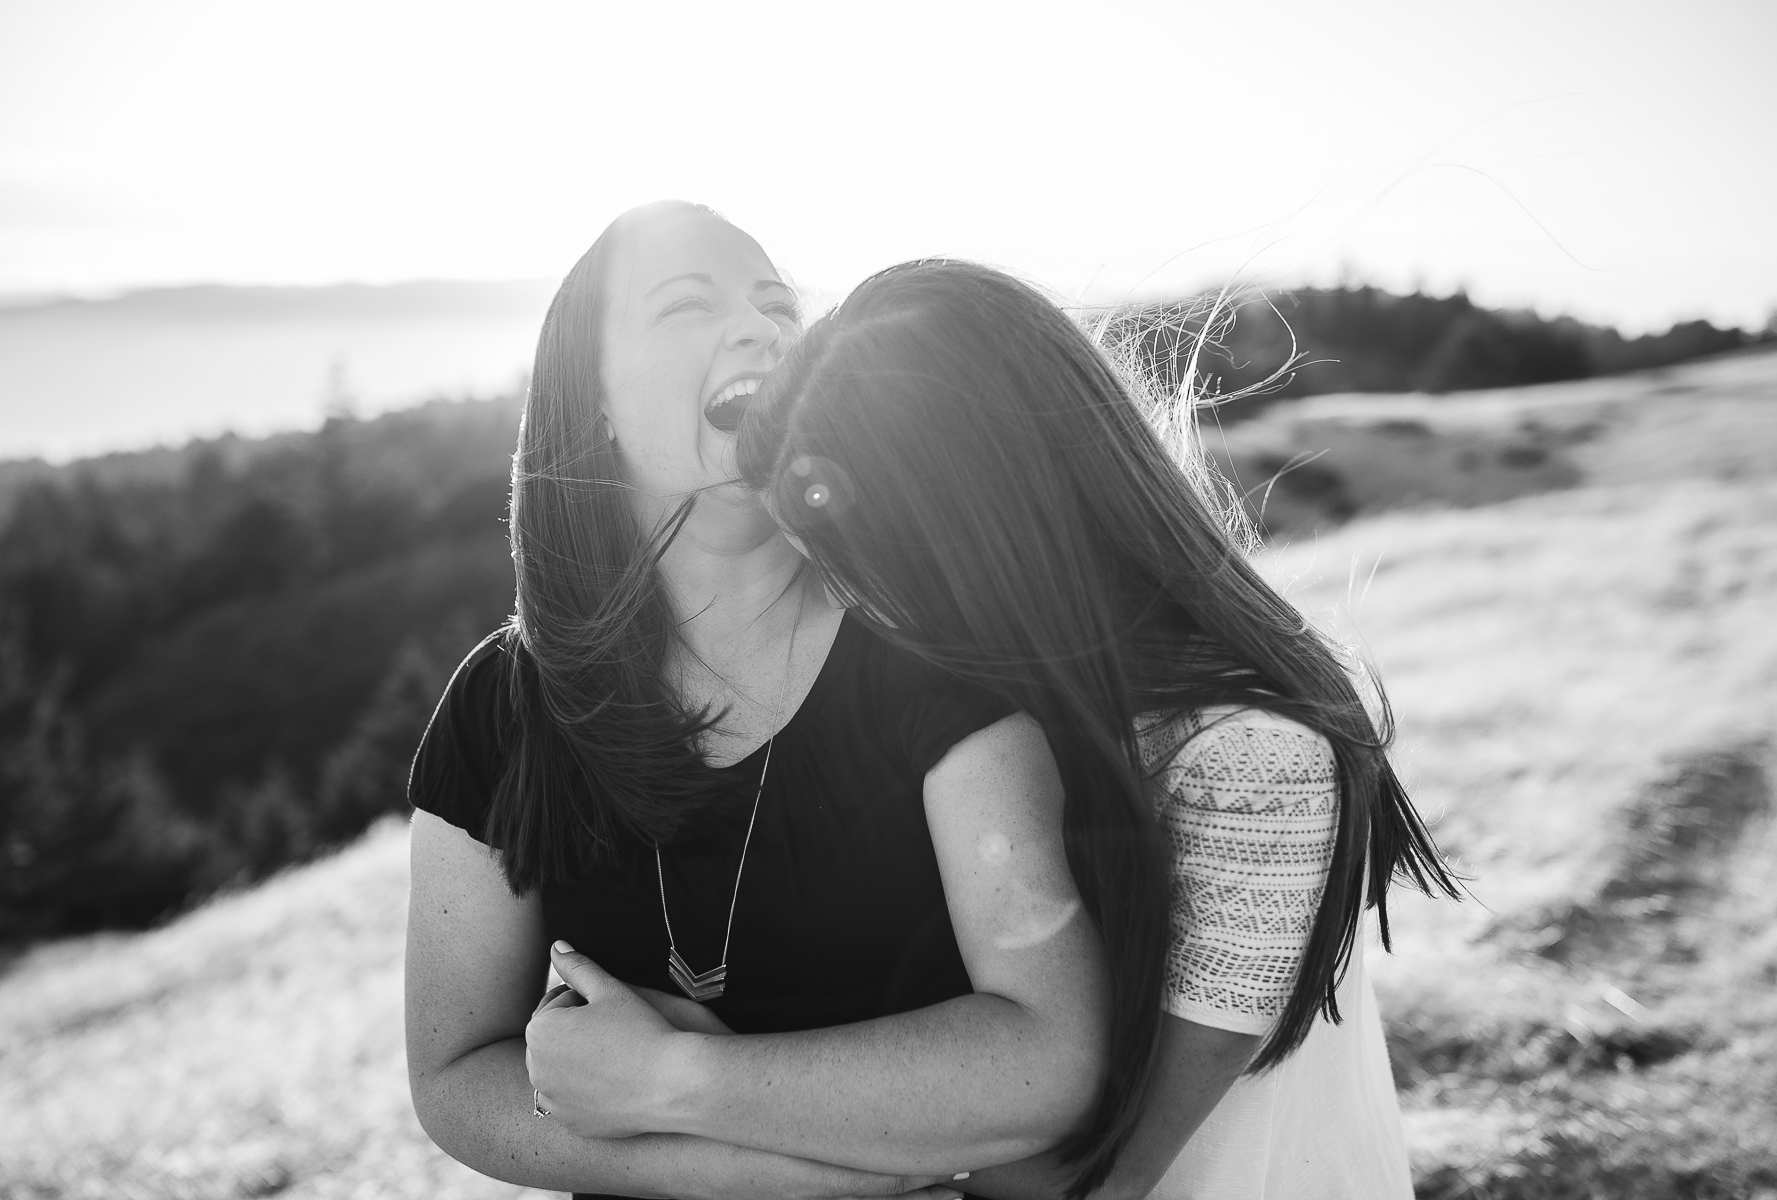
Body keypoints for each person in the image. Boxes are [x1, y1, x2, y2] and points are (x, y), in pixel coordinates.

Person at [546, 258, 1460, 1199]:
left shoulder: (1251, 761)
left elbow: (1081, 1183)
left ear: (975, 521)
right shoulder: (999, 717)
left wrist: (694, 1082)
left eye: (860, 561)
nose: (853, 605)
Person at [404, 205, 1133, 1199]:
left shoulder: (933, 655)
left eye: (773, 307)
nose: (759, 330)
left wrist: (675, 1081)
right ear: (597, 400)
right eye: (686, 307)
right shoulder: (502, 708)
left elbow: (1049, 1058)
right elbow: (454, 1078)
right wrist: (782, 1178)